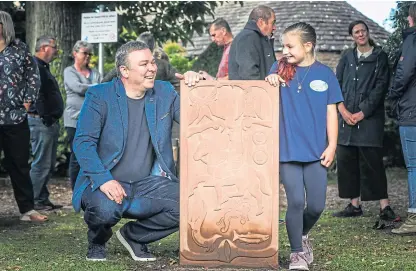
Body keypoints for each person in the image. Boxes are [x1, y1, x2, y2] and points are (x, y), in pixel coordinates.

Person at [72, 41, 189, 261]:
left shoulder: (165, 91)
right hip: (107, 180)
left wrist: (196, 87)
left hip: (148, 184)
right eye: (144, 64)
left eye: (152, 62)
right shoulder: (99, 95)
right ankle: (97, 241)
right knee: (105, 209)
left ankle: (134, 237)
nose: (153, 68)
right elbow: (83, 143)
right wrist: (103, 180)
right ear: (124, 71)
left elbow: (194, 119)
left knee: (192, 203)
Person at [265, 22, 343, 270]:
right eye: (283, 45)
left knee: (317, 205)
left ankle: (302, 235)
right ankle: (297, 253)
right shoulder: (278, 69)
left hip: (316, 151)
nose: (284, 50)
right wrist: (269, 81)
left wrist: (332, 146)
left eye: (290, 45)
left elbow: (332, 113)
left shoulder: (326, 74)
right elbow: (263, 97)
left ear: (308, 46)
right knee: (296, 202)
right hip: (287, 150)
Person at [332, 20, 399, 226]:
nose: (360, 34)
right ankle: (354, 205)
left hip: (369, 120)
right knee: (347, 161)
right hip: (346, 119)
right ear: (352, 36)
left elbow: (380, 88)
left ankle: (384, 207)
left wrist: (362, 113)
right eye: (356, 32)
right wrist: (342, 110)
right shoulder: (347, 57)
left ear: (368, 33)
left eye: (363, 31)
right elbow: (336, 84)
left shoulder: (379, 57)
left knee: (373, 163)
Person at [0, 11, 47, 222]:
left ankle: (27, 210)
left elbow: (33, 76)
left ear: (5, 25)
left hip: (14, 118)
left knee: (19, 164)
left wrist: (27, 101)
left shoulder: (19, 49)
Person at [28, 35, 64, 211]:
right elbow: (37, 94)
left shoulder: (43, 67)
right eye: (54, 47)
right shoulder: (36, 66)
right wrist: (46, 117)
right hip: (42, 122)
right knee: (41, 163)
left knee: (48, 164)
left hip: (47, 121)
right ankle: (33, 200)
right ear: (44, 48)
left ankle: (42, 198)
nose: (56, 50)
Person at [389, 3, 416, 235]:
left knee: (414, 166)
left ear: (411, 19)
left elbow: (404, 72)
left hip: (412, 112)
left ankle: (415, 217)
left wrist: (393, 94)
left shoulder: (412, 39)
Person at [63, 40, 101, 190]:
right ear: (75, 53)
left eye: (90, 54)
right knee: (77, 157)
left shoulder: (95, 72)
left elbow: (100, 90)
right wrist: (96, 87)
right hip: (74, 119)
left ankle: (91, 187)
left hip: (93, 119)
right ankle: (76, 190)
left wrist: (94, 88)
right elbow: (77, 88)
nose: (88, 57)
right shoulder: (69, 71)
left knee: (94, 154)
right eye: (84, 53)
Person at [102, 32, 180, 91]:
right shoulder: (163, 65)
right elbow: (179, 82)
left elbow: (104, 83)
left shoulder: (126, 63)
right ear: (153, 46)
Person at [228, 5, 276, 80]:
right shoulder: (248, 38)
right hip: (254, 90)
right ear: (261, 22)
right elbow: (249, 75)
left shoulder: (254, 37)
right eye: (272, 23)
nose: (274, 27)